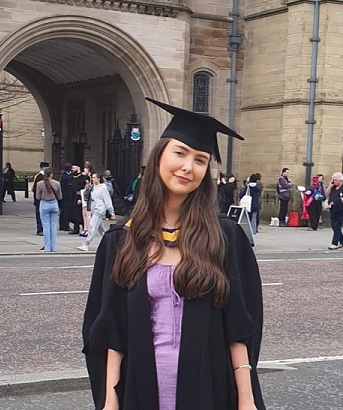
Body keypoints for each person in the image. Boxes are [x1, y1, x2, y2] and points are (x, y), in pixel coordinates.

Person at [82, 97, 265, 410]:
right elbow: (111, 326)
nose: (187, 166)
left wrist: (246, 399)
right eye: (180, 153)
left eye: (200, 159)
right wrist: (110, 398)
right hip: (141, 389)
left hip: (209, 389)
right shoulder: (121, 241)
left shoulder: (225, 238)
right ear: (158, 157)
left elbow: (239, 325)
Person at [78, 173, 115, 252]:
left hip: (100, 209)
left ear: (98, 179)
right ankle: (110, 241)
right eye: (92, 177)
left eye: (94, 178)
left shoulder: (103, 188)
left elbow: (107, 200)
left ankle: (86, 244)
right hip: (94, 209)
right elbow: (87, 197)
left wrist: (111, 211)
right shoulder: (93, 187)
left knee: (92, 226)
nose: (93, 179)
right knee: (100, 228)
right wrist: (87, 189)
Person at [35, 168, 63, 252]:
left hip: (44, 203)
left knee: (46, 226)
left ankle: (47, 247)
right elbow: (60, 196)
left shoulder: (40, 184)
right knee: (53, 226)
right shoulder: (57, 183)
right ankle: (53, 247)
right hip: (54, 203)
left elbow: (37, 197)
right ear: (51, 174)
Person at [325, 172, 343, 250]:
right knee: (334, 226)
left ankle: (334, 243)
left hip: (341, 209)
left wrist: (335, 202)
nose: (334, 182)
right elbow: (326, 194)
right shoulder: (333, 187)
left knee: (337, 226)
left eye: (335, 180)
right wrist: (329, 187)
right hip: (333, 209)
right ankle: (342, 241)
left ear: (340, 180)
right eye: (333, 180)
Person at [32, 161, 49, 236]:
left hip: (42, 198)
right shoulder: (40, 177)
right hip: (40, 198)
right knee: (40, 214)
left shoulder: (39, 176)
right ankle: (40, 229)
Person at [68, 164, 85, 234]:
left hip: (80, 198)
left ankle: (85, 228)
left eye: (74, 168)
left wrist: (80, 198)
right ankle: (76, 228)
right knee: (74, 214)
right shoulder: (71, 177)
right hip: (73, 198)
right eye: (72, 168)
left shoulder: (82, 177)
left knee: (81, 214)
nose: (72, 169)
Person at [59, 163, 72, 231]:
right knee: (66, 212)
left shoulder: (63, 176)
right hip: (66, 197)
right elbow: (68, 188)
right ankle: (65, 225)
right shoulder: (67, 177)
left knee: (62, 211)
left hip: (62, 196)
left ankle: (62, 225)